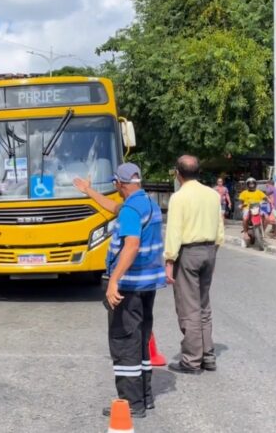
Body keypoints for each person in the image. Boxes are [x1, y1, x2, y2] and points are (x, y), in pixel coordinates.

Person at [74, 163, 165, 419]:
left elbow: (131, 245)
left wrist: (114, 280)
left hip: (129, 287)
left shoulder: (131, 211)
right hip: (147, 285)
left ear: (119, 184)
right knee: (140, 341)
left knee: (125, 343)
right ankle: (144, 398)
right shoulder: (147, 203)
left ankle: (130, 402)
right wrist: (89, 192)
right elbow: (115, 208)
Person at [163, 155, 225, 374]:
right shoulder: (212, 195)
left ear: (178, 174)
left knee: (188, 307)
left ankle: (191, 359)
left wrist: (169, 261)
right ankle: (208, 356)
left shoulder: (179, 198)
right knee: (203, 305)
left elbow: (174, 232)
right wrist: (212, 252)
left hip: (188, 253)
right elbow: (220, 228)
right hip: (209, 250)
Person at [238, 178, 267, 244]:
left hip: (257, 208)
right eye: (250, 184)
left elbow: (265, 199)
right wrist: (241, 205)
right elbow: (241, 202)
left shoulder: (259, 192)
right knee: (245, 218)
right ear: (247, 185)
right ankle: (245, 233)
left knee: (265, 217)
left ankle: (262, 231)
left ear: (255, 184)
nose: (251, 185)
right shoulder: (244, 193)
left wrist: (265, 201)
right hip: (247, 208)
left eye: (253, 183)